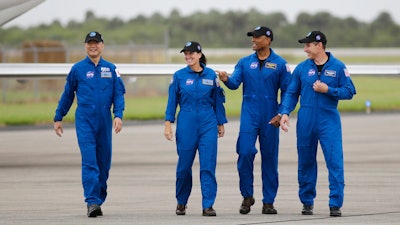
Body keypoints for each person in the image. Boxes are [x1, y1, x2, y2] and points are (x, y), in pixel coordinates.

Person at [279, 31, 356, 217]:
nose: (305, 49)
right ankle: (307, 202)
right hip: (306, 120)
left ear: (319, 45)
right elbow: (291, 93)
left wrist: (328, 89)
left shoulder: (338, 67)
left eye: (308, 45)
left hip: (328, 120)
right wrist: (285, 112)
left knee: (334, 161)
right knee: (305, 162)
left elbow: (349, 91)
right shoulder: (301, 68)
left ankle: (335, 203)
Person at [217, 26, 291, 215]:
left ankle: (268, 201)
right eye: (252, 38)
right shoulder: (244, 62)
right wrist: (226, 79)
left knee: (269, 159)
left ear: (268, 40)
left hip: (270, 117)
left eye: (257, 38)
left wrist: (281, 113)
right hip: (249, 116)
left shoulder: (280, 64)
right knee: (244, 152)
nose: (253, 41)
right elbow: (234, 84)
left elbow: (289, 92)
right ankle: (247, 195)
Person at [53, 31, 126, 217]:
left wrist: (118, 115)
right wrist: (58, 117)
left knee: (103, 163)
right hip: (85, 119)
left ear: (102, 45)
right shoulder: (77, 69)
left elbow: (118, 94)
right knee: (90, 161)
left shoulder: (111, 69)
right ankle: (92, 201)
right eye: (89, 43)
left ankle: (98, 198)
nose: (93, 46)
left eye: (96, 43)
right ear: (85, 46)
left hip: (104, 119)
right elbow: (68, 95)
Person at [164, 41, 227, 217]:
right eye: (186, 54)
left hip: (208, 123)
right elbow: (171, 102)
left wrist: (220, 122)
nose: (188, 56)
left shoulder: (211, 76)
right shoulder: (179, 76)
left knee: (208, 165)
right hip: (186, 123)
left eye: (192, 53)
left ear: (199, 55)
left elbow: (217, 101)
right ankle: (181, 201)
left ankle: (208, 205)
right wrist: (168, 123)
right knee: (184, 167)